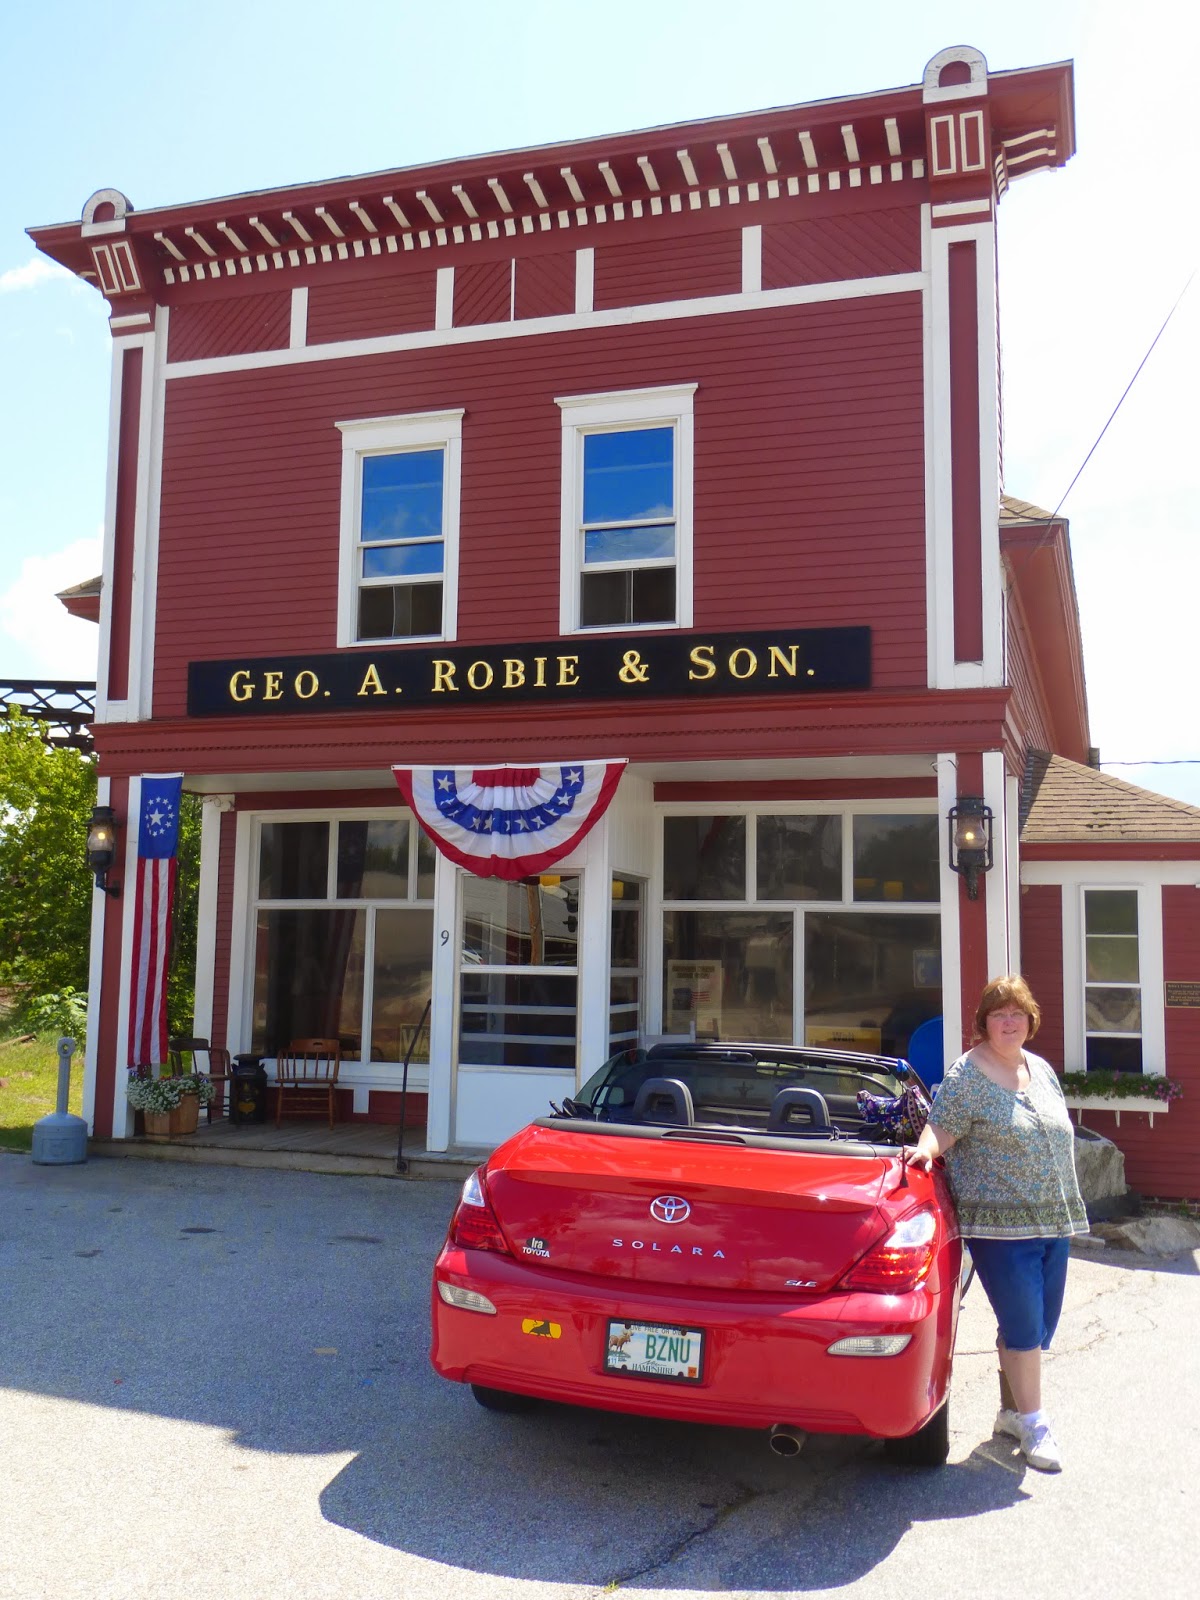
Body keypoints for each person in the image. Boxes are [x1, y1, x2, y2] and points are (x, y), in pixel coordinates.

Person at [906, 974, 1087, 1472]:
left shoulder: (1042, 1069)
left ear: (1031, 1020)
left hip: (1054, 1219)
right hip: (1001, 1226)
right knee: (1024, 1324)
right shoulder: (968, 1074)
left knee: (1038, 1323)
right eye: (998, 1014)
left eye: (1017, 1013)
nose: (1009, 1022)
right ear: (983, 1023)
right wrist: (923, 1152)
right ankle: (1035, 1423)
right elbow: (940, 1128)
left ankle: (1011, 1412)